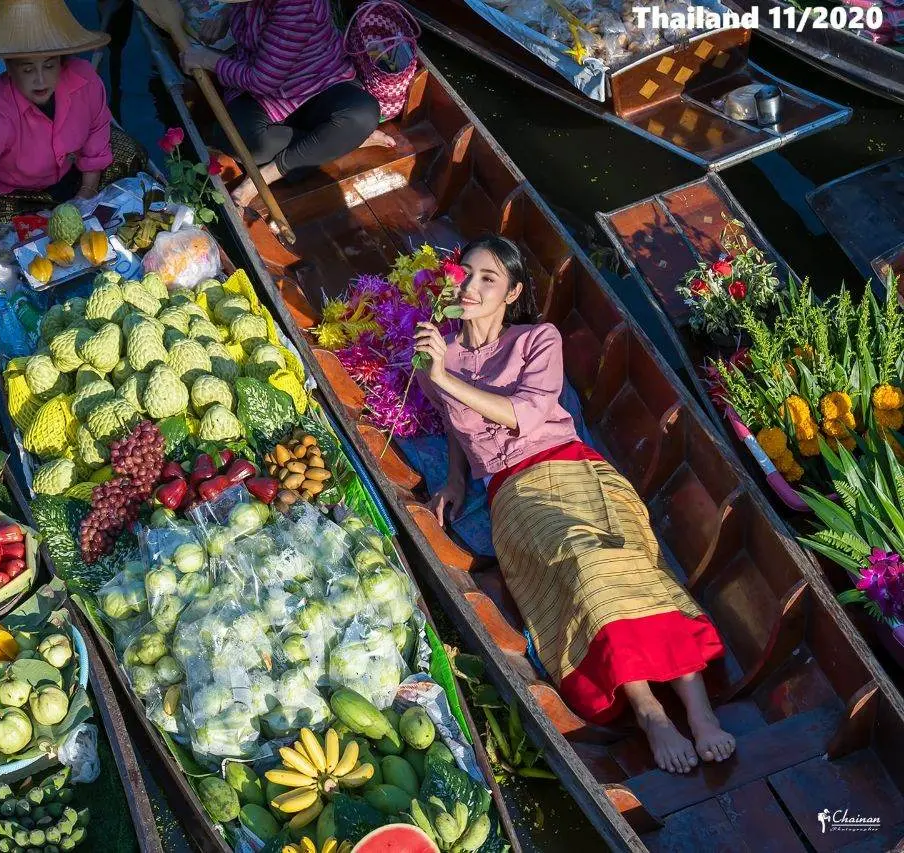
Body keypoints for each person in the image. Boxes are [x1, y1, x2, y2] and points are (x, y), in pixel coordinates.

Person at [414, 235, 736, 775]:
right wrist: (451, 480)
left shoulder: (538, 337)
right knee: (586, 568)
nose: (469, 286)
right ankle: (650, 709)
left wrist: (446, 375)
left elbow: (527, 416)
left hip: (572, 465)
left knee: (628, 562)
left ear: (512, 292)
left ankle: (699, 708)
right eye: (464, 273)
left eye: (487, 278)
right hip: (513, 491)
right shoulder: (438, 354)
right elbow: (455, 425)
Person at [0, 0, 121, 280]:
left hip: (69, 170)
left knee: (128, 151)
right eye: (27, 69)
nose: (40, 80)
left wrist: (87, 192)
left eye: (49, 66)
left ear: (62, 61)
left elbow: (98, 130)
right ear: (9, 66)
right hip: (12, 192)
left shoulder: (86, 81)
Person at [178, 0, 395, 209]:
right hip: (264, 94)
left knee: (362, 113)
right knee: (240, 141)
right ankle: (339, 141)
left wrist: (207, 59)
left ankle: (269, 173)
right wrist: (227, 14)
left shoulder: (297, 6)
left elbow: (262, 80)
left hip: (318, 80)